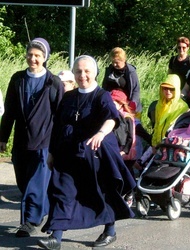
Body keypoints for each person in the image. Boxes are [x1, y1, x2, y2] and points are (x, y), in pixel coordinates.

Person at [37, 55, 136, 250]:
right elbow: (57, 126)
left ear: (95, 73)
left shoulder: (102, 96)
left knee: (100, 192)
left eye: (87, 71)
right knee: (61, 191)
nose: (83, 75)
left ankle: (110, 231)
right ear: (73, 74)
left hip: (94, 154)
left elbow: (112, 118)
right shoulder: (68, 97)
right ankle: (55, 238)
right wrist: (51, 152)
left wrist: (100, 133)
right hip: (67, 154)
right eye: (78, 71)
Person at [0, 38, 64, 238]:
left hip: (44, 140)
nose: (33, 59)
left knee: (34, 184)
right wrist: (3, 137)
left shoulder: (53, 82)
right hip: (21, 140)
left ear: (45, 58)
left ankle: (29, 221)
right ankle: (41, 209)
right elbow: (9, 111)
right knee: (23, 181)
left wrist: (60, 143)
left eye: (38, 55)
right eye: (30, 54)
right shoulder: (18, 79)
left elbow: (61, 115)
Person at [110, 89, 136, 207]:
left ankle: (130, 193)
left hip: (125, 151)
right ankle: (118, 194)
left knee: (127, 174)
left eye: (113, 101)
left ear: (120, 103)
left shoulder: (127, 118)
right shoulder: (110, 116)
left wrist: (124, 151)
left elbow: (131, 136)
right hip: (115, 150)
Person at [152, 74, 189, 148]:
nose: (168, 91)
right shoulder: (159, 104)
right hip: (158, 144)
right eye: (165, 88)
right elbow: (156, 125)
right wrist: (154, 144)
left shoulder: (182, 107)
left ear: (177, 89)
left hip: (171, 145)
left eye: (171, 89)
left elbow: (181, 130)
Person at [102, 47, 142, 114]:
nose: (114, 64)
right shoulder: (109, 70)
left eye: (117, 62)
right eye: (112, 62)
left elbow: (136, 90)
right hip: (113, 103)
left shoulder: (130, 71)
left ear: (123, 60)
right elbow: (105, 87)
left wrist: (132, 103)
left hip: (128, 104)